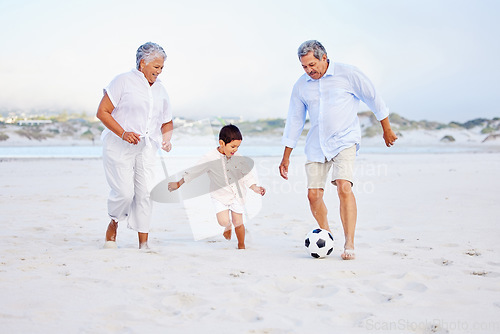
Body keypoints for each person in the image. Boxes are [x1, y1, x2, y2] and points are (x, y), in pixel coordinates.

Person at [279, 40, 398, 260]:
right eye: (304, 67)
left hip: (345, 140)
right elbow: (295, 120)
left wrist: (386, 129)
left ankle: (349, 243)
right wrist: (286, 156)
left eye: (312, 64)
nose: (309, 70)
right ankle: (328, 235)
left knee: (344, 186)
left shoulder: (348, 74)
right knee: (313, 195)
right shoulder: (301, 85)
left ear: (324, 58)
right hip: (316, 144)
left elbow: (374, 98)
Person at [96, 42, 173, 249]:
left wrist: (166, 139)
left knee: (146, 193)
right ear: (142, 64)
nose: (159, 72)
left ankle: (144, 244)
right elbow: (102, 112)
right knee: (123, 193)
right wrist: (123, 133)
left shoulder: (161, 90)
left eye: (161, 68)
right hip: (119, 145)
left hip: (147, 147)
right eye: (156, 67)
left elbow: (167, 121)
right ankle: (114, 221)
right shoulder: (122, 81)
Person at [168, 124, 266, 249]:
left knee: (239, 222)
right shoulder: (210, 157)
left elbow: (246, 175)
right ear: (221, 143)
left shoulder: (238, 157)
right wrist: (178, 183)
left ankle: (241, 245)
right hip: (220, 195)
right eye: (233, 146)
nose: (235, 150)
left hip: (237, 194)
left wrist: (255, 187)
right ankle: (227, 226)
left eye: (238, 147)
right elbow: (195, 171)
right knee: (223, 221)